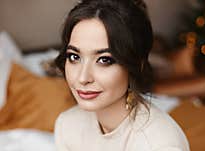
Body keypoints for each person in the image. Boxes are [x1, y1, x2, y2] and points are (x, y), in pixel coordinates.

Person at [54, 0, 190, 150]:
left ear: (136, 64)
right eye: (74, 57)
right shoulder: (67, 125)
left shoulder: (160, 144)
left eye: (104, 60)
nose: (83, 78)